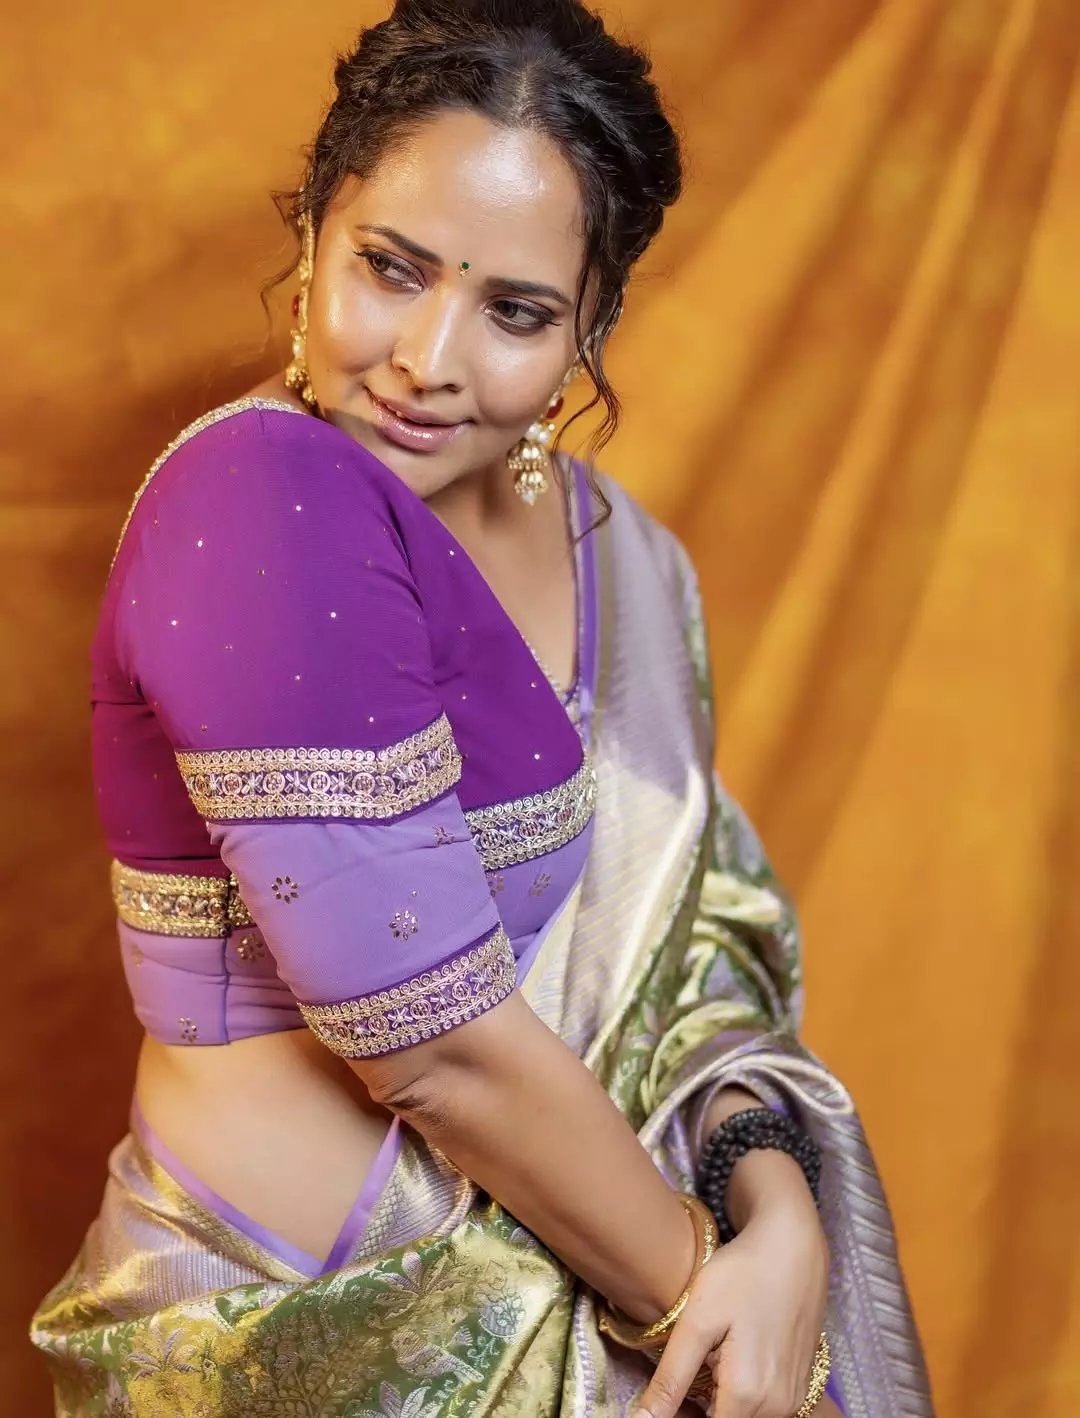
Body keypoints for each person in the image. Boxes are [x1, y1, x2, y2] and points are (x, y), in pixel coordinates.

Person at [31, 2, 933, 1415]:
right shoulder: (258, 506)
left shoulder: (625, 557)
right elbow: (438, 1049)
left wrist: (773, 1202)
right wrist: (714, 1298)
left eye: (515, 312)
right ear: (316, 230)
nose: (428, 358)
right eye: (390, 269)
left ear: (593, 323)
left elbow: (695, 939)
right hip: (295, 1350)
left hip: (613, 1284)